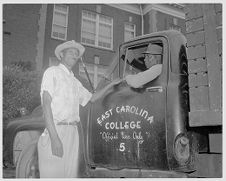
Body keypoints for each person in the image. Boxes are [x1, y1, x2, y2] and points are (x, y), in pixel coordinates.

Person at [37, 40, 121, 178]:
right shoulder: (52, 72)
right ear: (61, 55)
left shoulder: (75, 81)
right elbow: (46, 104)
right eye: (71, 52)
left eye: (76, 54)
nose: (75, 55)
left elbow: (92, 98)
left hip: (73, 132)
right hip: (57, 130)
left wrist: (111, 85)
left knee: (69, 176)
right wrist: (54, 138)